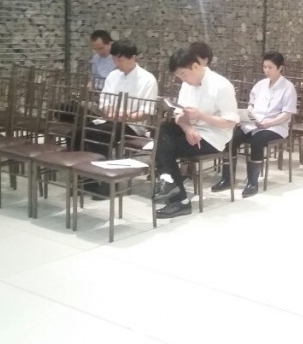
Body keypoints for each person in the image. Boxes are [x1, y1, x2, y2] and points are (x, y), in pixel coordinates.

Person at [154, 49, 239, 218]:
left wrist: (201, 116)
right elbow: (179, 114)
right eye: (179, 76)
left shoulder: (221, 85)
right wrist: (188, 128)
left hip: (212, 136)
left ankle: (178, 198)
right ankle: (169, 183)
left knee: (166, 148)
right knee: (163, 129)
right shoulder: (187, 84)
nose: (183, 80)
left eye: (183, 74)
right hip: (192, 130)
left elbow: (231, 122)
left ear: (195, 66)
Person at [211, 51, 297, 197]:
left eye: (270, 67)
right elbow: (251, 104)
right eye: (265, 67)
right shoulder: (260, 85)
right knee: (230, 137)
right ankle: (227, 178)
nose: (266, 70)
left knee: (257, 141)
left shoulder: (288, 87)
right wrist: (249, 114)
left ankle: (252, 183)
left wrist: (269, 123)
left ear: (280, 68)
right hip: (254, 123)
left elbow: (287, 114)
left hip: (275, 126)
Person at [79, 40, 158, 198]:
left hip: (133, 124)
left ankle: (107, 182)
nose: (116, 64)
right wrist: (109, 111)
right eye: (114, 59)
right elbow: (104, 100)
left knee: (99, 134)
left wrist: (125, 116)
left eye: (120, 60)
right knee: (77, 134)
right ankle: (89, 181)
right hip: (110, 119)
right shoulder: (113, 75)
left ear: (133, 58)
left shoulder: (148, 80)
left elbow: (146, 112)